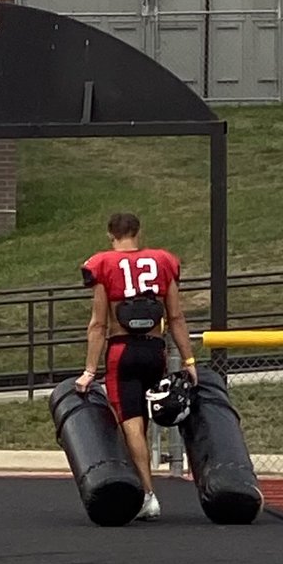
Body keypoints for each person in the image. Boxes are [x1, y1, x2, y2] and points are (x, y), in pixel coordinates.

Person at [76, 212, 198, 521]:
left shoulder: (103, 265)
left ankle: (147, 494)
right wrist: (189, 359)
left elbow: (98, 324)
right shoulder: (163, 262)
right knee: (144, 420)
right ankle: (146, 487)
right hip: (155, 350)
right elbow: (176, 318)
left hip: (123, 350)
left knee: (131, 423)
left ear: (110, 234)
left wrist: (89, 370)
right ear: (138, 231)